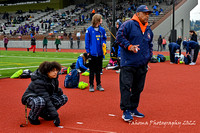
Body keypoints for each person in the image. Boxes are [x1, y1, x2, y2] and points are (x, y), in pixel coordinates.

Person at [116, 5, 153, 122]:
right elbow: (119, 37)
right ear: (138, 14)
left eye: (148, 14)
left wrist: (148, 57)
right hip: (128, 63)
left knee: (138, 88)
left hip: (142, 64)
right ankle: (126, 110)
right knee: (126, 87)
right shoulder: (128, 24)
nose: (147, 16)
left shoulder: (148, 29)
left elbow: (150, 45)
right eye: (145, 13)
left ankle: (133, 108)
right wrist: (130, 46)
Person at [21, 61, 68, 126]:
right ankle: (32, 117)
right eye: (53, 71)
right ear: (46, 71)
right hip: (31, 98)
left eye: (56, 70)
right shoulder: (38, 81)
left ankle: (45, 114)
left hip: (43, 97)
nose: (56, 72)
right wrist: (55, 116)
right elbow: (46, 99)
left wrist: (58, 91)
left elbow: (55, 91)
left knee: (63, 98)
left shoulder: (53, 78)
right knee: (40, 101)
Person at [85, 14, 107, 92]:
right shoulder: (89, 30)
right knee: (92, 71)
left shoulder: (102, 30)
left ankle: (98, 84)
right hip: (92, 53)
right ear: (97, 20)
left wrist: (104, 43)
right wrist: (88, 51)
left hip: (100, 53)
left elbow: (104, 38)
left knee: (98, 70)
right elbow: (87, 41)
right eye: (100, 19)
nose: (102, 20)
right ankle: (91, 85)